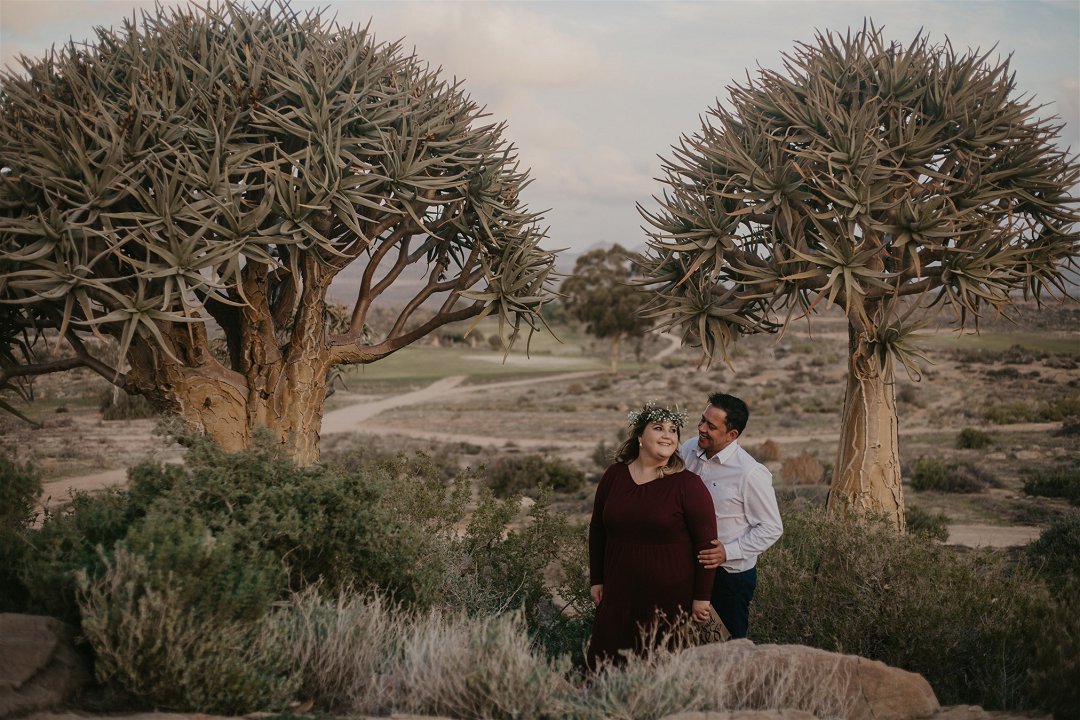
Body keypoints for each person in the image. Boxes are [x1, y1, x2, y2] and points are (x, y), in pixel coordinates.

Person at [587, 402, 717, 670]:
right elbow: (598, 529)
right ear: (639, 437)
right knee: (606, 667)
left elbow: (707, 546)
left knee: (662, 668)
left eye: (673, 430)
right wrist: (597, 578)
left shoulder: (688, 485)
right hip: (618, 594)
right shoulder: (614, 476)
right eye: (658, 428)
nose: (668, 435)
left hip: (669, 600)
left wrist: (701, 597)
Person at [679, 392, 783, 640]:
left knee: (727, 648)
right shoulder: (689, 449)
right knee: (686, 643)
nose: (701, 428)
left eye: (711, 426)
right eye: (702, 420)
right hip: (686, 568)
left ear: (732, 435)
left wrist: (728, 551)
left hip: (728, 579)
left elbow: (771, 528)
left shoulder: (750, 473)